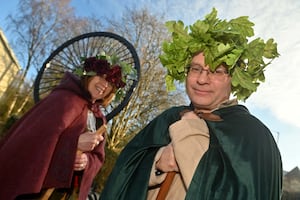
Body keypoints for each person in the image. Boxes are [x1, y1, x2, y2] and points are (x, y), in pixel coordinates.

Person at [100, 8, 282, 200]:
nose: (202, 79)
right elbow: (124, 172)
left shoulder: (253, 135)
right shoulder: (169, 118)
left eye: (216, 71)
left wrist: (188, 131)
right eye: (196, 68)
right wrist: (157, 163)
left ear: (234, 79)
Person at [0, 53, 128, 199]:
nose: (104, 84)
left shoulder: (100, 120)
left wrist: (86, 162)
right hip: (31, 186)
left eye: (111, 82)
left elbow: (98, 158)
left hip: (62, 194)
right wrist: (74, 144)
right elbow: (33, 140)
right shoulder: (63, 99)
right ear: (89, 75)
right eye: (101, 76)